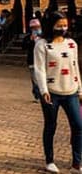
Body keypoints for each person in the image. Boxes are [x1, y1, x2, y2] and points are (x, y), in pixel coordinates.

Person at [33, 12, 82, 173]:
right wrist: (43, 90)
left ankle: (77, 162)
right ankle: (50, 160)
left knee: (78, 125)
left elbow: (75, 67)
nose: (63, 28)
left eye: (65, 25)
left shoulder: (71, 44)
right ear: (51, 25)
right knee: (51, 125)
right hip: (51, 91)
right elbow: (39, 70)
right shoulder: (42, 45)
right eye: (59, 25)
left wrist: (80, 88)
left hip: (71, 90)